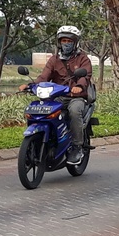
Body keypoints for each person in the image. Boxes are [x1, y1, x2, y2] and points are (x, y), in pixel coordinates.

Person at [19, 26, 93, 164]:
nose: (66, 43)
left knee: (74, 111)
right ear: (59, 42)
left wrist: (78, 86)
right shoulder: (54, 60)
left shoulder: (83, 59)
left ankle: (76, 147)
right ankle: (42, 141)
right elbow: (44, 77)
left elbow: (85, 76)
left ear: (75, 42)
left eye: (69, 40)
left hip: (75, 97)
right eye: (63, 40)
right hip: (57, 96)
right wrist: (30, 85)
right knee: (40, 109)